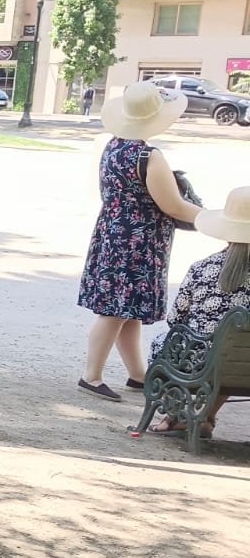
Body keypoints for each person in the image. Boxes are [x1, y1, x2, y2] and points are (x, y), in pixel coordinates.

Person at [76, 81, 201, 401]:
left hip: (112, 232)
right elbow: (172, 205)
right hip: (140, 240)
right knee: (116, 310)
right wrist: (212, 217)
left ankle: (137, 374)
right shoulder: (149, 156)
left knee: (125, 310)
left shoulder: (113, 146)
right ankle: (91, 376)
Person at [146, 185, 250, 440]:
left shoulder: (201, 269)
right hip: (243, 365)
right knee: (233, 350)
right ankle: (206, 416)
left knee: (165, 343)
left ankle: (177, 413)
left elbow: (175, 321)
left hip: (199, 364)